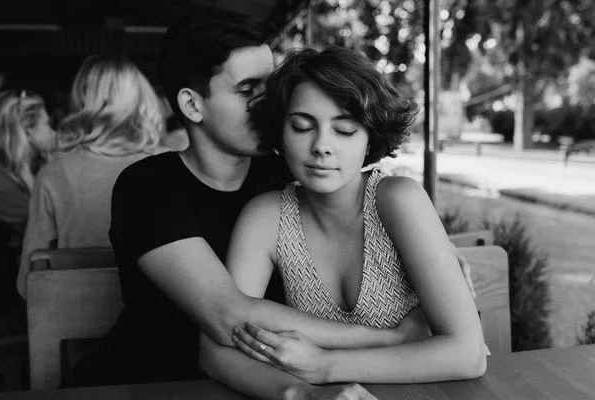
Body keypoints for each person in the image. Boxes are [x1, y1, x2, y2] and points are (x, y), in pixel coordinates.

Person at [64, 8, 475, 399]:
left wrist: (430, 253)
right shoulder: (149, 185)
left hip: (262, 382)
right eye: (248, 90)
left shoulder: (285, 177)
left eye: (270, 85)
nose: (268, 103)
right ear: (193, 105)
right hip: (148, 383)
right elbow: (227, 315)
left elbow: (362, 200)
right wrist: (392, 339)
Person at [199, 46, 487, 397]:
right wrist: (300, 394)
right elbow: (215, 351)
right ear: (280, 133)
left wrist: (322, 365)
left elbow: (468, 354)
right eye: (302, 126)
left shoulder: (398, 201)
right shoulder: (266, 217)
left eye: (345, 130)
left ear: (369, 140)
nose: (321, 145)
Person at [16, 55, 164, 299]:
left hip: (74, 328)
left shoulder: (54, 174)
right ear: (142, 99)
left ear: (80, 101)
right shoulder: (171, 166)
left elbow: (27, 284)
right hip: (161, 329)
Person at [0, 90, 53, 313]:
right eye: (47, 124)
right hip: (5, 299)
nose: (52, 132)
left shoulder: (28, 169)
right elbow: (37, 227)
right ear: (27, 131)